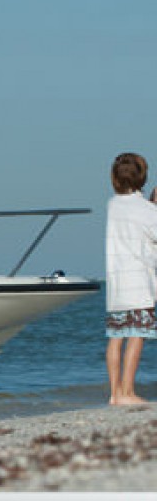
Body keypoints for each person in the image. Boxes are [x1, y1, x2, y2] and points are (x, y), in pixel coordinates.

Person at [105, 152, 157, 405]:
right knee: (137, 336)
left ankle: (114, 393)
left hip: (117, 285)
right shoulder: (145, 210)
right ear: (142, 177)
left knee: (116, 338)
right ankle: (128, 392)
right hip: (139, 285)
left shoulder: (113, 205)